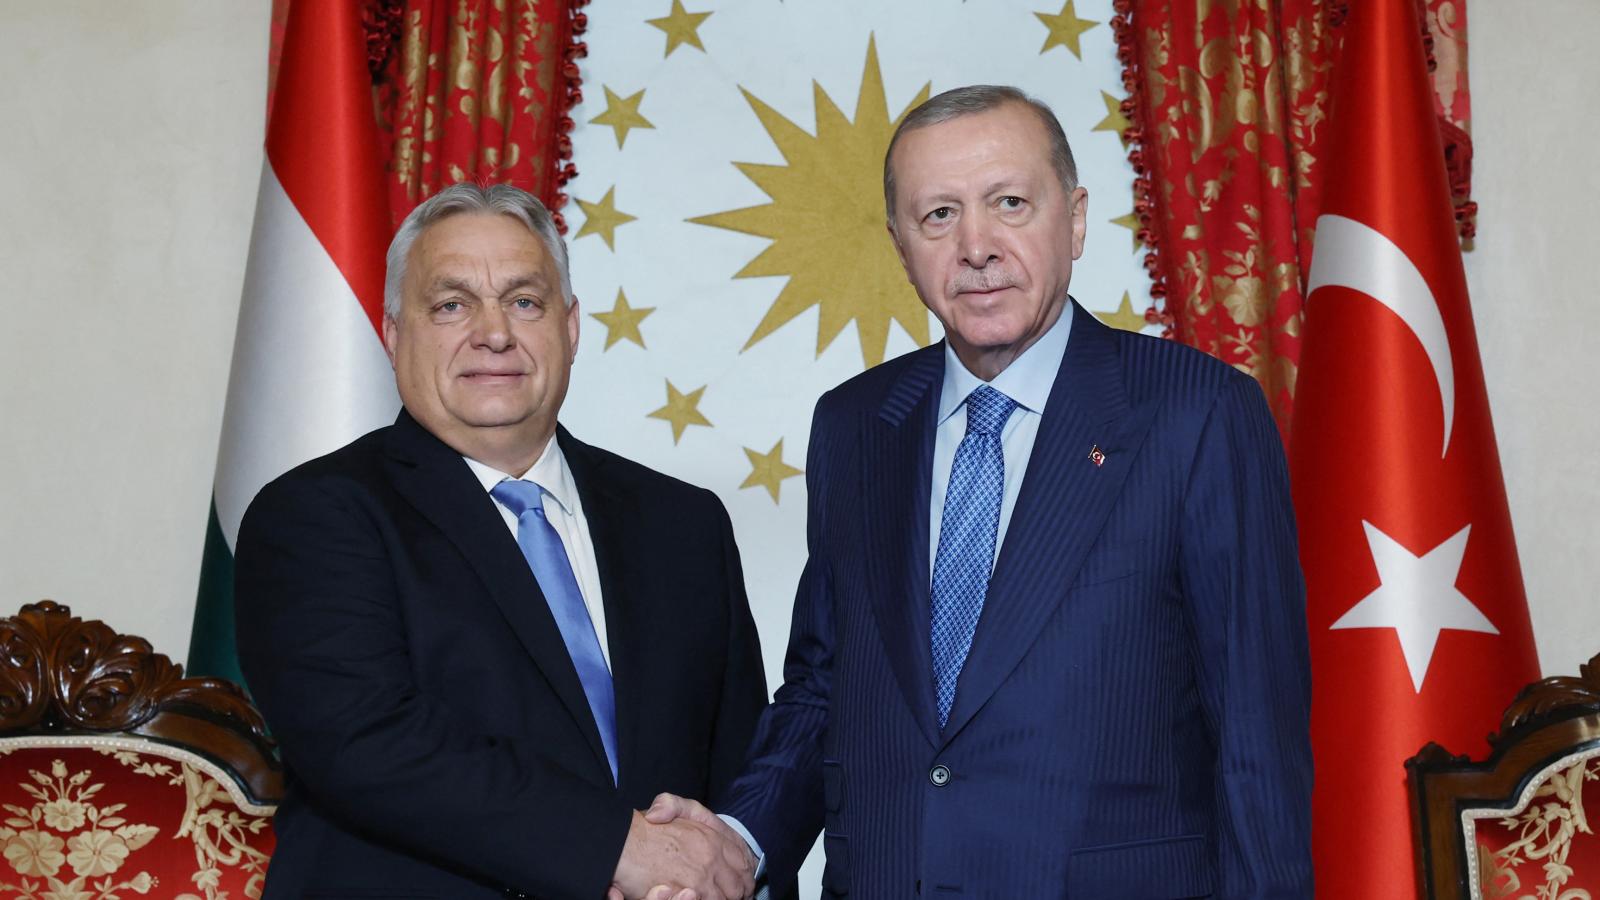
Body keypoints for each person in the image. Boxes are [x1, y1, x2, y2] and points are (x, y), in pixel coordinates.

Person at [650, 84, 1314, 896]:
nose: (976, 246)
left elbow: (1255, 737)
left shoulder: (1197, 413)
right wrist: (738, 843)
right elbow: (827, 689)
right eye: (939, 215)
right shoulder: (856, 426)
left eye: (1009, 204)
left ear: (1075, 220)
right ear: (901, 247)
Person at [234, 183, 762, 900]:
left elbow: (739, 771)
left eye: (524, 301)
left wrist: (731, 872)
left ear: (570, 328)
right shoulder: (314, 515)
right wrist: (618, 848)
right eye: (451, 305)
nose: (494, 333)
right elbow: (366, 742)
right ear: (393, 334)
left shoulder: (684, 523)